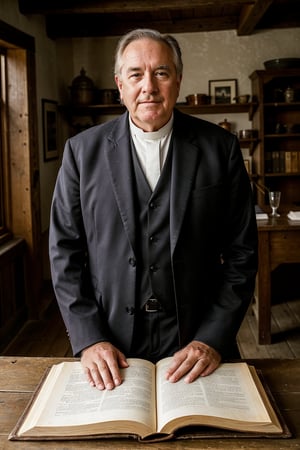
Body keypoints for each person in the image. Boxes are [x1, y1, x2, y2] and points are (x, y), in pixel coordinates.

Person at [49, 28, 258, 391]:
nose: (149, 86)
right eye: (135, 74)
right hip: (110, 347)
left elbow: (242, 253)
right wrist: (88, 338)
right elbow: (64, 251)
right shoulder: (81, 153)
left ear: (177, 80)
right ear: (120, 84)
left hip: (198, 344)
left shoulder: (220, 149)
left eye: (161, 72)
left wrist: (212, 337)